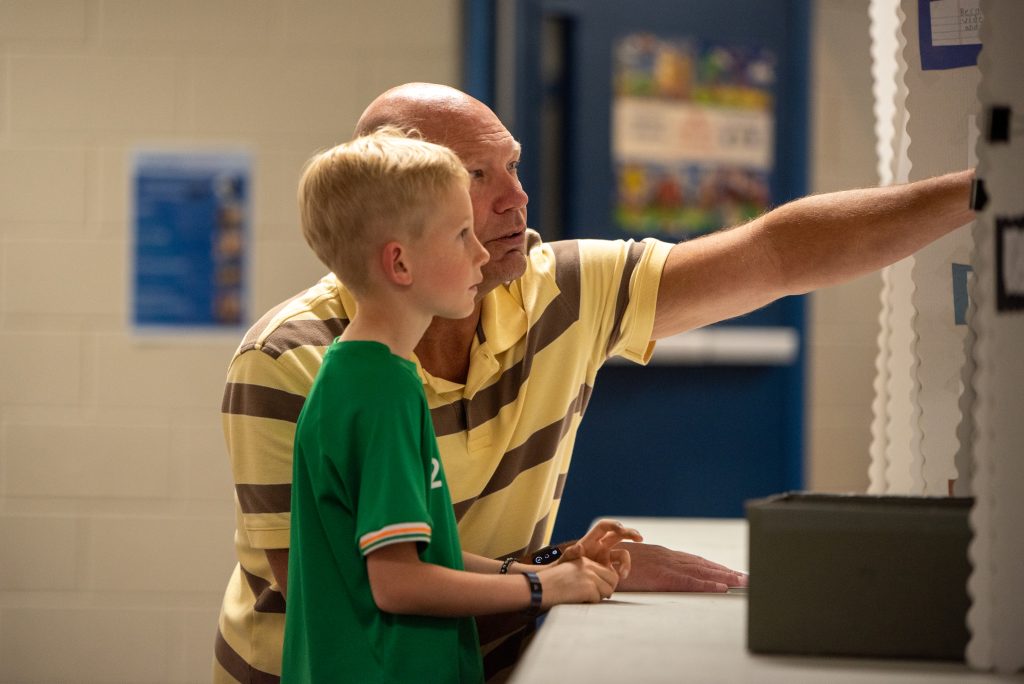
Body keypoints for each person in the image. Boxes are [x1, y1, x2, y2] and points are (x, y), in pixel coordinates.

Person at [214, 82, 975, 683]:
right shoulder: (290, 362)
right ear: (399, 224)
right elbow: (354, 587)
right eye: (477, 178)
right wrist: (551, 579)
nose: (517, 199)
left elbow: (774, 255)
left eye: (513, 165)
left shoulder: (555, 288)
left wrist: (982, 190)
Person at [278, 128, 641, 683]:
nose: (480, 252)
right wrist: (541, 589)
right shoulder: (380, 392)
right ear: (400, 264)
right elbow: (398, 584)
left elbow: (425, 553)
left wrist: (539, 568)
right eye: (461, 235)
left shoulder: (362, 373)